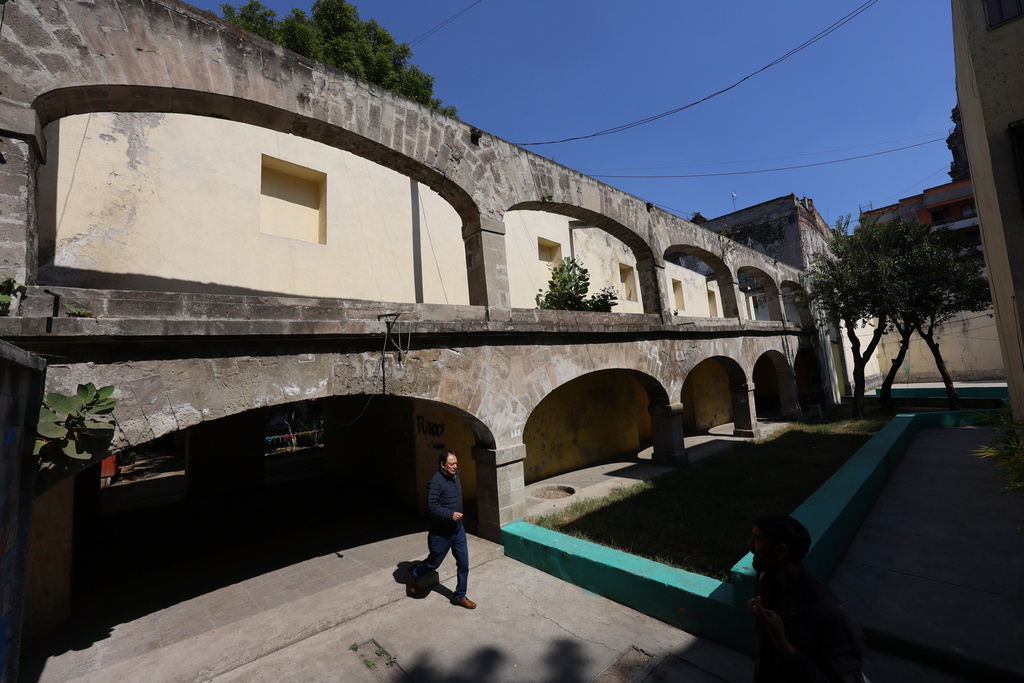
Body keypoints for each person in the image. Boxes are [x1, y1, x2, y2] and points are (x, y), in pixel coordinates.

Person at [746, 513, 866, 683]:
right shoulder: (765, 578)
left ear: (780, 551)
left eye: (756, 538)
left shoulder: (831, 616)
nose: (749, 544)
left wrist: (782, 643)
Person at [406, 449, 476, 609]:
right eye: (452, 464)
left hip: (458, 530)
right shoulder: (435, 481)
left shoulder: (456, 476)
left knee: (464, 563)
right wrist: (450, 514)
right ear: (442, 465)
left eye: (456, 463)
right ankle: (414, 573)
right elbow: (431, 506)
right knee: (433, 563)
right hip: (441, 533)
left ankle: (460, 596)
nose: (455, 466)